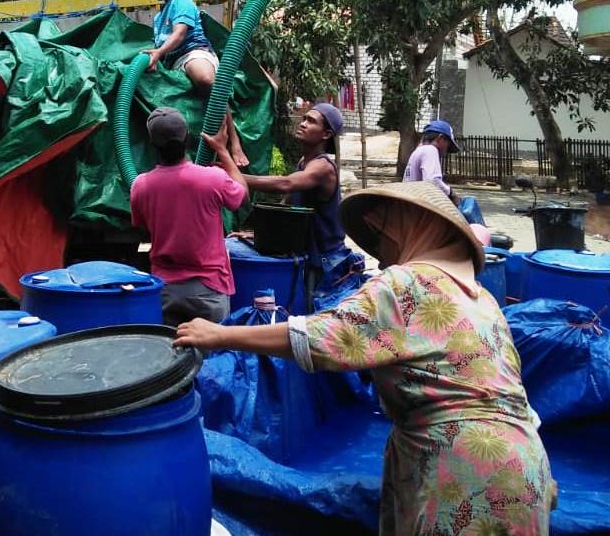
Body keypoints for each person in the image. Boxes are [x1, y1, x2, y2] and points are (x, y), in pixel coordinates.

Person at [175, 181, 556, 536]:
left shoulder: (408, 284)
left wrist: (220, 334)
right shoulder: (481, 299)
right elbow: (512, 392)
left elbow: (321, 336)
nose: (380, 249)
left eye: (382, 231)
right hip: (524, 466)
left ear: (409, 227)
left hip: (466, 472)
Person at [236, 102, 364, 309]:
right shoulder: (304, 162)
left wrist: (236, 177)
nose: (303, 123)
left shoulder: (323, 168)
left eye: (311, 121)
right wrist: (256, 234)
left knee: (314, 321)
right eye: (304, 119)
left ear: (326, 134)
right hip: (310, 257)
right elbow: (287, 210)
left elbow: (285, 183)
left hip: (326, 262)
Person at [130, 107, 248, 326]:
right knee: (214, 357)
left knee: (173, 356)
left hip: (165, 289)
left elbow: (142, 226)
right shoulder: (212, 179)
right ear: (186, 138)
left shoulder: (140, 186)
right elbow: (242, 196)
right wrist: (222, 150)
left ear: (152, 143)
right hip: (209, 289)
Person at [142, 0, 249, 167]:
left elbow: (180, 34)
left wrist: (159, 52)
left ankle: (233, 141)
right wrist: (155, 60)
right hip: (173, 64)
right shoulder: (157, 18)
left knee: (205, 79)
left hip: (193, 53)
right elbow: (161, 48)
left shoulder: (181, 1)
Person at [403, 119, 461, 204]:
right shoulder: (430, 150)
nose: (446, 150)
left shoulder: (419, 150)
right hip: (417, 208)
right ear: (440, 138)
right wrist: (451, 193)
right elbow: (433, 181)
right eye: (448, 145)